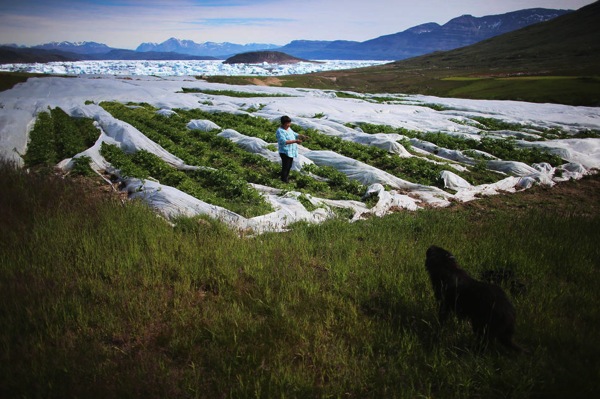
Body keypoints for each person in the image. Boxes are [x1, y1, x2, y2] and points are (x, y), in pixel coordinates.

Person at [275, 115, 306, 183]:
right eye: (287, 123)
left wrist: (300, 136)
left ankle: (286, 179)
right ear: (283, 123)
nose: (289, 125)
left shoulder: (288, 129)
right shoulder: (280, 131)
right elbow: (283, 142)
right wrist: (295, 141)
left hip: (291, 151)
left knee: (289, 166)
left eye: (289, 123)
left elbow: (294, 134)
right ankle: (284, 180)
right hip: (284, 151)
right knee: (285, 166)